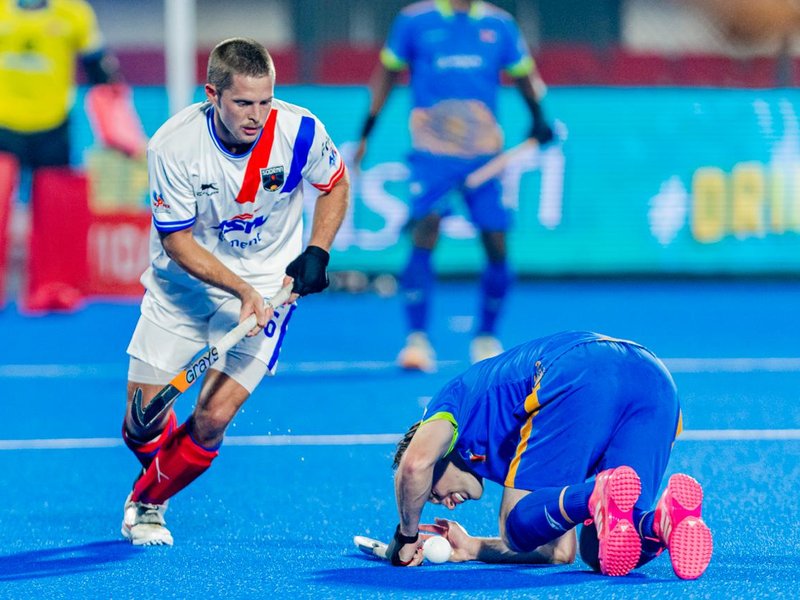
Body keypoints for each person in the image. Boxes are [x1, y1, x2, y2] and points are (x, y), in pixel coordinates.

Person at [119, 37, 349, 546]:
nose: (257, 115)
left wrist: (318, 251)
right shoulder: (173, 145)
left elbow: (334, 184)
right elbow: (176, 243)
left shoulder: (300, 130)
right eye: (243, 102)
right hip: (181, 291)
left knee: (211, 419)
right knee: (137, 427)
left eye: (265, 101)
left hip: (269, 289)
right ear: (212, 95)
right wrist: (239, 288)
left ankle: (149, 501)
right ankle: (163, 463)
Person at [385, 331, 713, 580]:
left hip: (582, 370)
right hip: (654, 382)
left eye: (431, 493)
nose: (444, 502)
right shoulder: (503, 446)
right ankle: (663, 522)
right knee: (600, 551)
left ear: (441, 455)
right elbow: (558, 551)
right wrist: (472, 547)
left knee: (513, 526)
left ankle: (598, 493)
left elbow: (414, 465)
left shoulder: (448, 406)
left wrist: (406, 537)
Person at [354, 0, 555, 371]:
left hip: (485, 156)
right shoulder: (414, 21)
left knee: (496, 242)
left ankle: (486, 337)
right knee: (425, 232)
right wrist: (367, 130)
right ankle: (416, 340)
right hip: (432, 155)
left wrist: (540, 117)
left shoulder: (501, 25)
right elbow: (386, 74)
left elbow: (525, 75)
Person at [0, 0, 122, 171]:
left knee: (52, 193)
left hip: (53, 123)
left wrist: (118, 123)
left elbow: (98, 66)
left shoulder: (73, 12)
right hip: (4, 123)